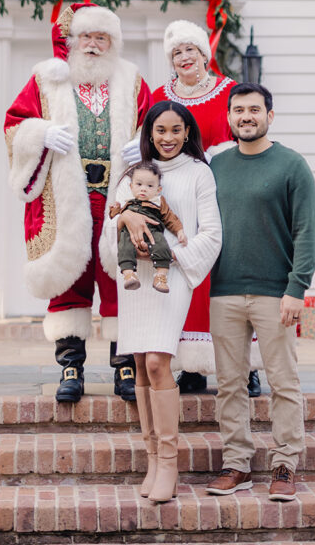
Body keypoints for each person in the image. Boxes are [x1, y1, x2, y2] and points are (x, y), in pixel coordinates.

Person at [4, 3, 151, 404]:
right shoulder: (46, 78)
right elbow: (15, 125)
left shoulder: (132, 79)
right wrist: (42, 134)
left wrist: (144, 147)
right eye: (86, 37)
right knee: (70, 278)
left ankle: (125, 367)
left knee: (124, 278)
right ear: (73, 40)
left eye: (101, 38)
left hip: (119, 194)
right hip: (66, 194)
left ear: (113, 43)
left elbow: (155, 127)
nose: (92, 45)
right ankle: (71, 367)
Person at [101, 101, 222, 503]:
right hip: (133, 279)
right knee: (138, 364)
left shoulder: (199, 173)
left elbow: (211, 234)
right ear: (148, 134)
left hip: (171, 277)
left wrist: (169, 251)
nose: (167, 138)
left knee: (157, 362)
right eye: (160, 130)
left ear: (188, 132)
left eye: (175, 130)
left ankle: (169, 461)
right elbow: (108, 228)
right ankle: (152, 458)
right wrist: (124, 220)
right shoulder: (132, 176)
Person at [206, 82, 315, 502]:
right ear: (230, 118)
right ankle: (237, 464)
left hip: (277, 293)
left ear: (270, 116)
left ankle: (285, 464)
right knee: (229, 384)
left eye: (254, 109)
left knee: (283, 381)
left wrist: (297, 288)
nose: (246, 116)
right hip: (225, 291)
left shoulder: (291, 165)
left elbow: (307, 232)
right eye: (238, 110)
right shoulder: (216, 166)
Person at [147, 20, 261, 398]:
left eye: (189, 50)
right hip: (180, 198)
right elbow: (148, 141)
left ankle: (245, 366)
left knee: (232, 279)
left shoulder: (229, 91)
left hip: (227, 195)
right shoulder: (160, 95)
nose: (183, 58)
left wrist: (221, 154)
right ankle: (192, 366)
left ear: (203, 53)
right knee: (188, 279)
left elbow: (247, 133)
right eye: (176, 52)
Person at [109, 160, 187, 293]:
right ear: (131, 186)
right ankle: (129, 274)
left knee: (162, 246)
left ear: (158, 189)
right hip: (130, 232)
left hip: (153, 230)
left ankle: (160, 276)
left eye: (150, 186)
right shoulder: (127, 203)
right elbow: (116, 218)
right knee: (124, 246)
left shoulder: (158, 202)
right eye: (139, 184)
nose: (143, 189)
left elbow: (170, 217)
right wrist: (115, 210)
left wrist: (179, 231)